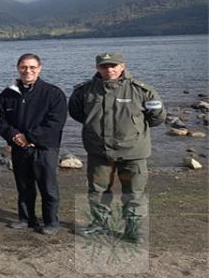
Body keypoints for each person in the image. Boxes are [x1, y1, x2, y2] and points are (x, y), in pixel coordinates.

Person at [68, 52, 165, 243]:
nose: (109, 70)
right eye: (104, 66)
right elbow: (77, 113)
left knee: (134, 193)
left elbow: (157, 118)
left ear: (122, 66)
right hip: (99, 151)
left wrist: (134, 131)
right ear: (97, 68)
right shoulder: (84, 91)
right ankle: (99, 224)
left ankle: (133, 230)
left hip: (133, 152)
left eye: (113, 66)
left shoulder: (142, 90)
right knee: (98, 191)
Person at [0, 53, 67, 235]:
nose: (28, 71)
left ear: (39, 68)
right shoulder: (7, 94)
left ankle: (51, 221)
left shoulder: (53, 93)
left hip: (45, 148)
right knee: (24, 186)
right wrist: (14, 136)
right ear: (18, 68)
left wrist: (30, 137)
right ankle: (26, 219)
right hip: (19, 148)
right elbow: (0, 120)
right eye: (24, 67)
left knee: (48, 187)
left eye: (32, 67)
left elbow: (55, 122)